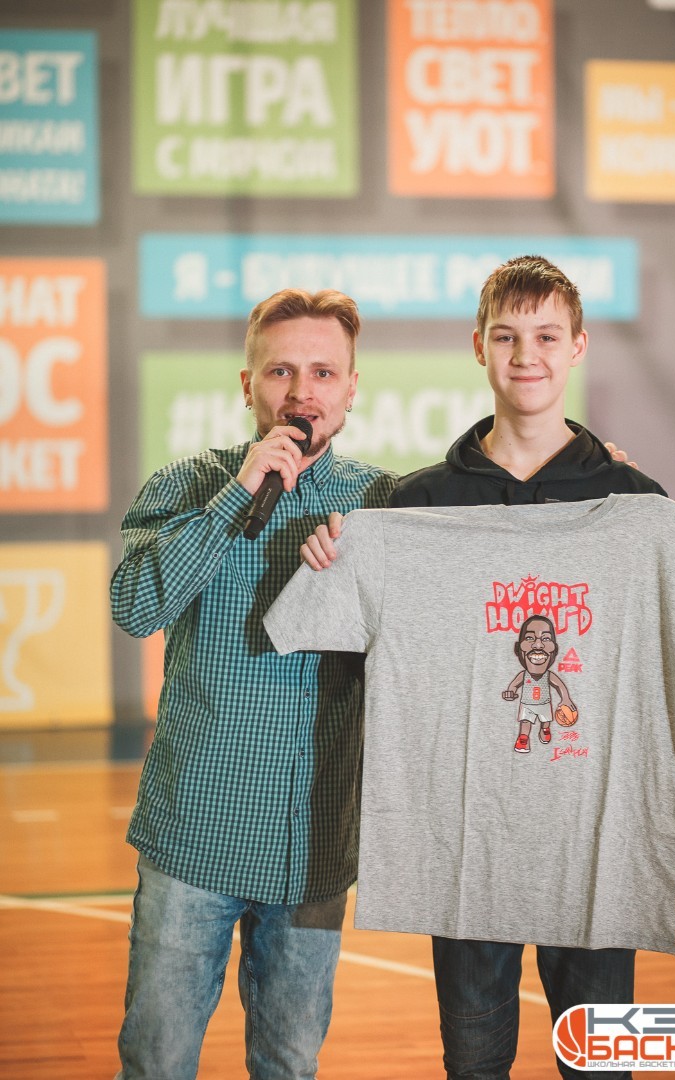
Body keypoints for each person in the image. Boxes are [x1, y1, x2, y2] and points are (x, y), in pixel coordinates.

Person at [299, 255, 675, 1080]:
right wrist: (333, 559)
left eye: (545, 337)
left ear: (577, 348)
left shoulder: (639, 505)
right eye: (505, 337)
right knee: (473, 1067)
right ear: (478, 347)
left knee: (601, 1068)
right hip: (462, 852)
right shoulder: (416, 509)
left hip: (597, 850)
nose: (525, 354)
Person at [110, 288, 397, 1080]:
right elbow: (135, 608)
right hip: (192, 836)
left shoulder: (383, 503)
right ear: (248, 386)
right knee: (156, 1063)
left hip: (311, 846)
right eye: (280, 371)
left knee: (288, 1064)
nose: (302, 391)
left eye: (323, 372)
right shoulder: (186, 484)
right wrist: (237, 496)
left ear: (350, 388)